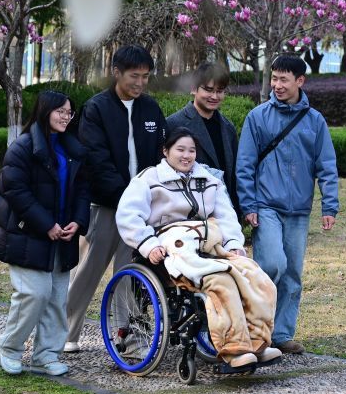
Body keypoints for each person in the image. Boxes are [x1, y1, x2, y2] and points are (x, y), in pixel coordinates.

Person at [116, 128, 281, 369]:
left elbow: (225, 215)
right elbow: (128, 216)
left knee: (255, 276)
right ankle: (235, 348)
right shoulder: (148, 179)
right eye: (180, 150)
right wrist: (148, 245)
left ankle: (257, 342)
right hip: (172, 247)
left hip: (209, 243)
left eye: (191, 150)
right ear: (166, 151)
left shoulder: (209, 179)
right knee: (220, 281)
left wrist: (234, 244)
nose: (186, 155)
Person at [64, 44, 166, 353]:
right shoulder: (96, 109)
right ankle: (65, 332)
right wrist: (126, 199)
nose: (140, 83)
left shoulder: (151, 109)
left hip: (140, 212)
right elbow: (96, 160)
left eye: (146, 77)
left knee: (130, 275)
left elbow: (160, 157)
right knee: (87, 272)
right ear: (116, 72)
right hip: (105, 207)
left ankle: (128, 337)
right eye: (134, 75)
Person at [236, 54, 339, 355]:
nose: (277, 85)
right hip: (265, 205)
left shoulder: (315, 121)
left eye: (283, 79)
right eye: (274, 78)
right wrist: (249, 204)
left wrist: (329, 206)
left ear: (300, 81)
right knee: (271, 265)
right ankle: (256, 330)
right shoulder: (257, 117)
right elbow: (245, 165)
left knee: (292, 273)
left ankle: (281, 334)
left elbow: (327, 166)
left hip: (299, 210)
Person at [0, 91, 91, 376]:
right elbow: (15, 191)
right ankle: (10, 348)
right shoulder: (23, 147)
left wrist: (78, 222)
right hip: (28, 235)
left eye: (69, 112)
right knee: (34, 294)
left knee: (58, 298)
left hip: (63, 237)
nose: (65, 116)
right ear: (44, 111)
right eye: (60, 110)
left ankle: (46, 355)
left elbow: (83, 190)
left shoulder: (73, 149)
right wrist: (46, 224)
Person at [166, 61, 241, 216]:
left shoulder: (228, 127)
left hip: (225, 210)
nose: (214, 96)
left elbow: (233, 173)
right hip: (188, 212)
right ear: (194, 89)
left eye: (220, 91)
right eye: (208, 90)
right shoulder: (174, 123)